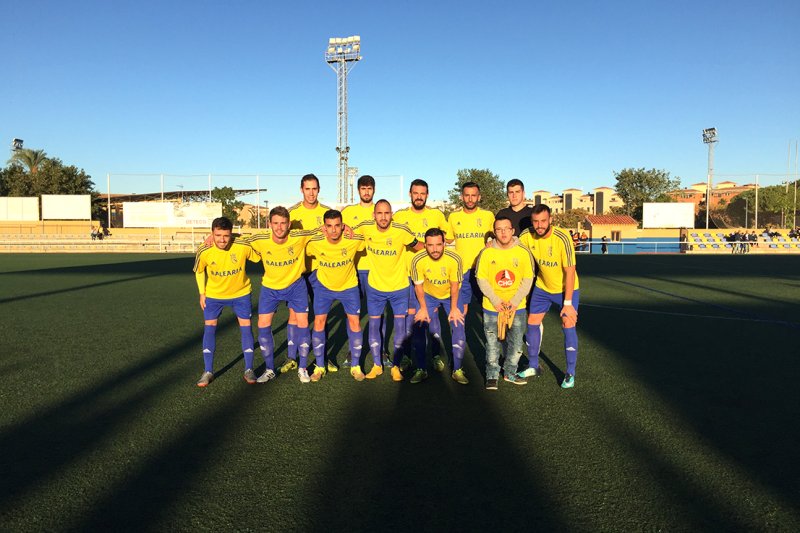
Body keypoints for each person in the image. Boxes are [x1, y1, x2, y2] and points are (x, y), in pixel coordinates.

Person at [246, 206, 318, 383]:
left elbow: (323, 231)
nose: (279, 227)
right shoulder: (260, 239)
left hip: (295, 286)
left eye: (283, 223)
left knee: (302, 322)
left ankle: (302, 368)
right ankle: (270, 369)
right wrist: (212, 237)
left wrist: (345, 228)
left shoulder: (299, 236)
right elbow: (237, 240)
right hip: (270, 288)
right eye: (276, 223)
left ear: (289, 224)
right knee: (263, 324)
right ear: (269, 223)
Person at [354, 199, 421, 380]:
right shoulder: (365, 228)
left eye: (387, 213)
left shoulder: (401, 231)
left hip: (399, 287)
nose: (383, 217)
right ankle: (377, 365)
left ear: (391, 214)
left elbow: (420, 246)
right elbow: (347, 236)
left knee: (400, 327)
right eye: (379, 213)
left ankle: (396, 366)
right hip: (375, 287)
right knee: (374, 325)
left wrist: (437, 250)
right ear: (374, 215)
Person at [192, 216, 261, 387]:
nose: (222, 240)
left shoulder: (241, 245)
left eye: (226, 235)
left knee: (246, 329)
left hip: (241, 294)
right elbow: (199, 271)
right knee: (209, 330)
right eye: (218, 235)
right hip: (214, 296)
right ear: (212, 234)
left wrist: (239, 237)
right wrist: (202, 293)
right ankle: (208, 371)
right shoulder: (204, 250)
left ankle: (249, 369)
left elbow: (258, 257)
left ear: (231, 234)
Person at [518, 204, 580, 389]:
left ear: (550, 219)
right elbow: (512, 249)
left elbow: (570, 271)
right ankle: (533, 366)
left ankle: (570, 373)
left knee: (568, 324)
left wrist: (567, 303)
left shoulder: (562, 237)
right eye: (536, 221)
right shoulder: (526, 236)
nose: (539, 225)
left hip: (565, 289)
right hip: (542, 287)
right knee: (532, 323)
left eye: (543, 221)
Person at [394, 178, 450, 373]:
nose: (419, 196)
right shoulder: (399, 216)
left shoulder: (436, 215)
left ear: (427, 195)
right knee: (411, 318)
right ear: (410, 194)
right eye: (415, 193)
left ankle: (435, 355)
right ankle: (408, 356)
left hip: (430, 277)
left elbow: (448, 238)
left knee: (433, 318)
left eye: (422, 193)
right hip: (407, 275)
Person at [304, 210, 367, 381]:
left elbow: (365, 238)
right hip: (324, 288)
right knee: (319, 321)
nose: (333, 230)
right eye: (329, 226)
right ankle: (319, 366)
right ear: (325, 227)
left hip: (349, 287)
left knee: (354, 322)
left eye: (337, 226)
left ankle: (356, 365)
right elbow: (303, 241)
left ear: (342, 226)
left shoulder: (353, 241)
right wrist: (318, 230)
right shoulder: (315, 243)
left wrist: (350, 228)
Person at [474, 216, 534, 389]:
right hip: (493, 307)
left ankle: (510, 372)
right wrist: (496, 300)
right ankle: (492, 375)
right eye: (499, 229)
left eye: (506, 228)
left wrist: (515, 302)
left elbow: (528, 278)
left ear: (512, 230)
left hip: (517, 307)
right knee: (493, 344)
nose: (503, 232)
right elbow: (481, 278)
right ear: (494, 232)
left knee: (516, 344)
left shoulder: (522, 251)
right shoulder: (486, 252)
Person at [287, 174, 334, 371]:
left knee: (321, 314)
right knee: (294, 315)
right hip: (296, 272)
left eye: (314, 189)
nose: (311, 193)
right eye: (308, 189)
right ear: (301, 190)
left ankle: (322, 356)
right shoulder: (292, 214)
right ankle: (292, 357)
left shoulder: (327, 213)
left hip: (318, 270)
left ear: (319, 189)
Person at [411, 228, 467, 384]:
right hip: (428, 295)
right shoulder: (417, 259)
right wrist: (423, 308)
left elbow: (455, 285)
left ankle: (457, 369)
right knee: (419, 324)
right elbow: (418, 287)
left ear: (444, 243)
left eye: (438, 245)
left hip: (451, 295)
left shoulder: (455, 258)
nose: (434, 249)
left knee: (458, 324)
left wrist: (455, 308)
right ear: (425, 245)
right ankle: (421, 369)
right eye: (430, 245)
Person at [446, 182, 495, 313]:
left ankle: (493, 334)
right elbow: (447, 239)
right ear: (461, 197)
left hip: (483, 269)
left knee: (488, 306)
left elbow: (498, 238)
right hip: (461, 269)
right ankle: (459, 333)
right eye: (467, 195)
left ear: (479, 197)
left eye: (473, 195)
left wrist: (492, 244)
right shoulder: (453, 217)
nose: (470, 199)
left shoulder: (488, 216)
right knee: (461, 308)